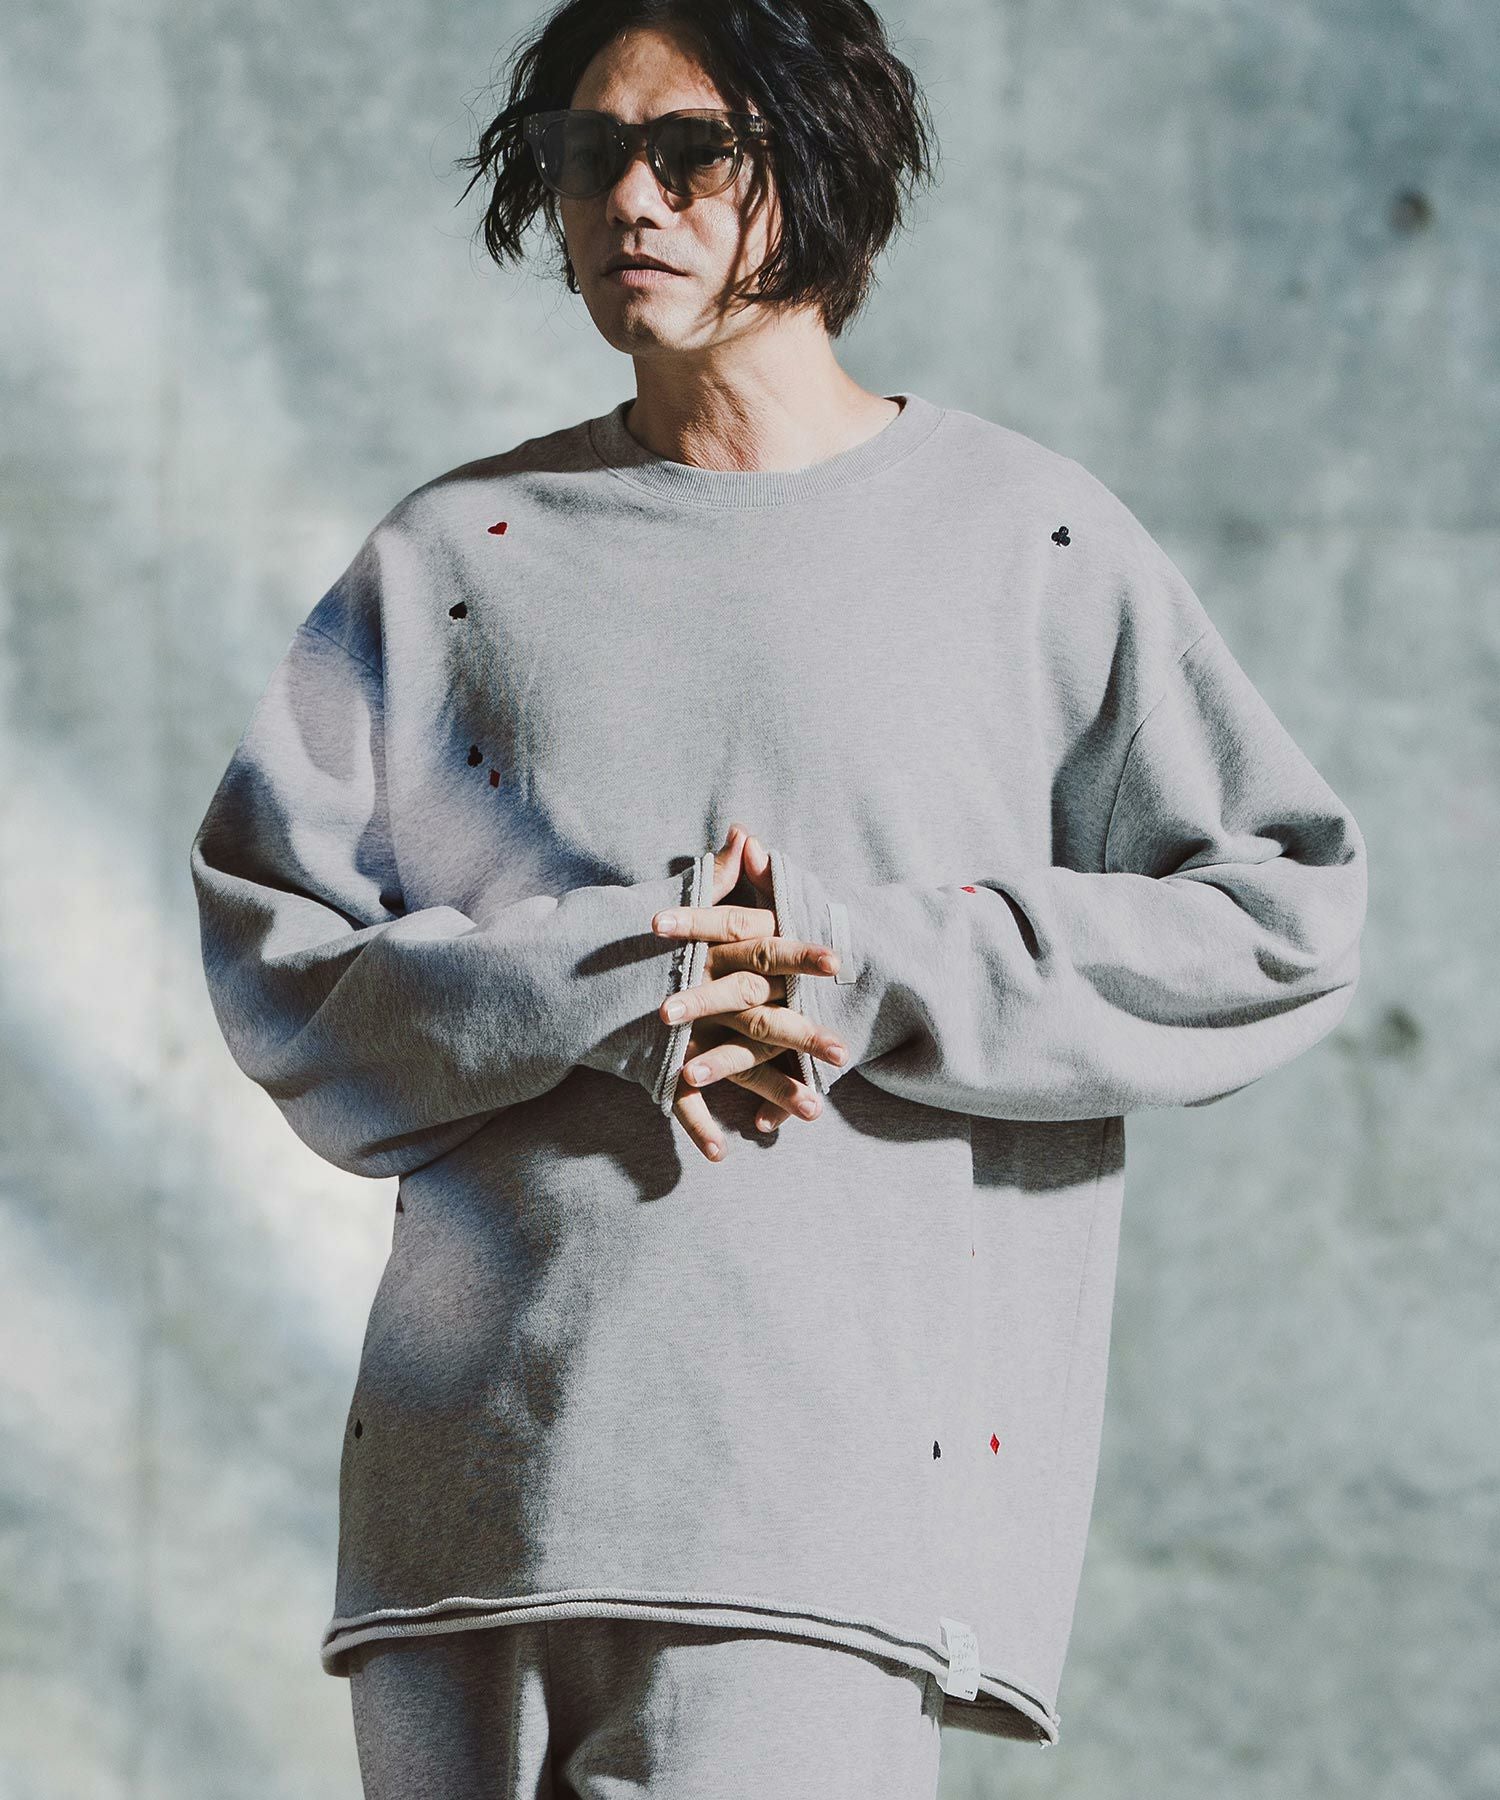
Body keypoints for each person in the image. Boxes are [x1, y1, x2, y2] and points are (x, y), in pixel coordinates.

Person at [187, 0, 1368, 1794]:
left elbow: (1282, 920)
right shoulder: (456, 556)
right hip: (457, 1528)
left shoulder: (1023, 543)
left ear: (821, 163)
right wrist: (620, 972)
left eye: (691, 152)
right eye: (589, 155)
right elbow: (280, 959)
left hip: (813, 1519)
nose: (628, 199)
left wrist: (859, 962)